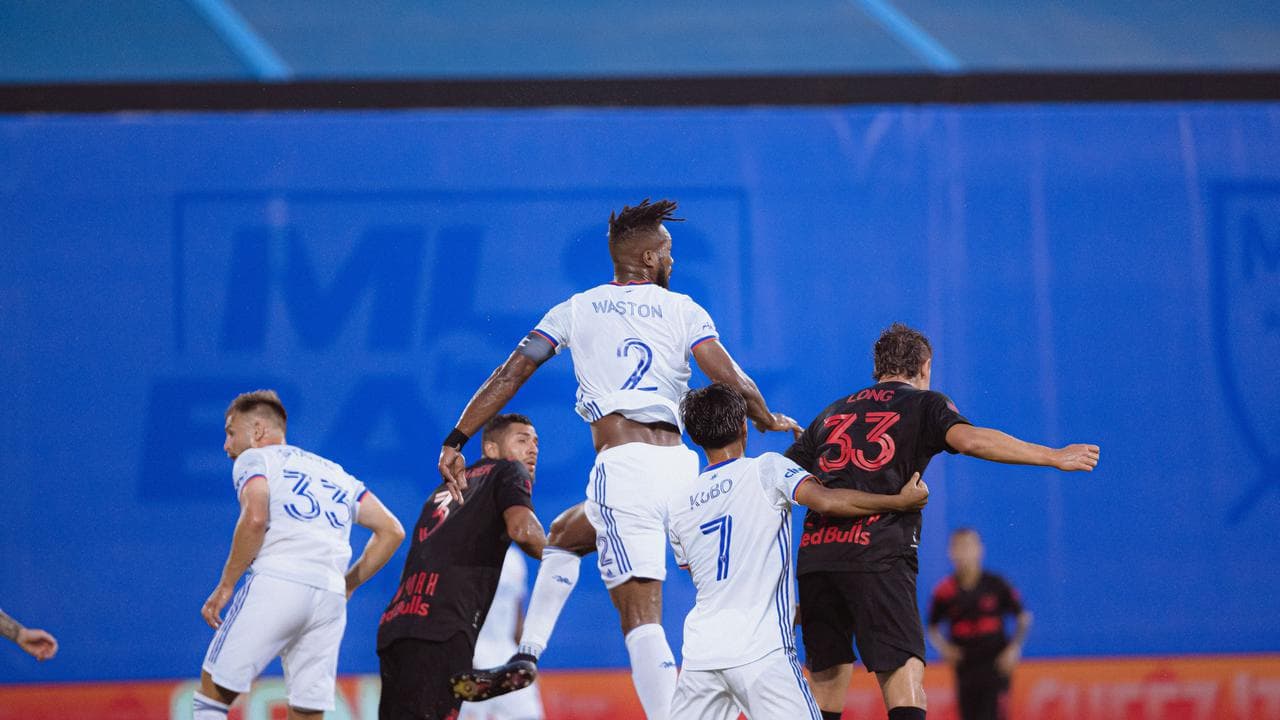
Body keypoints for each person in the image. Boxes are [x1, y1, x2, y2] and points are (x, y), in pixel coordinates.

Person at [440, 199, 800, 719]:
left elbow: (511, 373)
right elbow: (732, 380)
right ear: (651, 258)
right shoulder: (685, 310)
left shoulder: (575, 309)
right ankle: (527, 654)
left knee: (640, 614)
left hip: (625, 465)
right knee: (565, 535)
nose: (672, 263)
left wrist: (458, 436)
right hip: (681, 468)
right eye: (669, 254)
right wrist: (766, 418)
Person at [785, 323, 1099, 720]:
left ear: (877, 367)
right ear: (925, 366)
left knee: (826, 686)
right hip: (877, 555)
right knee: (905, 676)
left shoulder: (831, 413)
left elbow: (780, 480)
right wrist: (1051, 455)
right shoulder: (924, 403)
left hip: (817, 559)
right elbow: (970, 440)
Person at [667, 383, 929, 720]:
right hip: (761, 654)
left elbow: (705, 571)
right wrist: (899, 502)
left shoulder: (679, 505)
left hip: (701, 657)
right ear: (744, 425)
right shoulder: (767, 469)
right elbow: (827, 502)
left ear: (695, 437)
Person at [195, 390, 405, 720]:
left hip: (278, 581)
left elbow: (255, 518)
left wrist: (226, 586)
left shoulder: (256, 459)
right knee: (307, 711)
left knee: (213, 692)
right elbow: (392, 531)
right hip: (329, 597)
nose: (226, 445)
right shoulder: (337, 474)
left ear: (258, 430)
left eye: (230, 432)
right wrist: (347, 584)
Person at [379, 414, 547, 720]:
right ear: (491, 449)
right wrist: (561, 555)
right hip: (445, 630)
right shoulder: (508, 470)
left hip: (398, 627)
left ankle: (469, 682)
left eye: (536, 443)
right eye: (522, 440)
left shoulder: (440, 493)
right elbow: (523, 530)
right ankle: (471, 682)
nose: (533, 449)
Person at [927, 528, 1031, 720]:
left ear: (979, 550)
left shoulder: (996, 584)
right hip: (966, 667)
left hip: (995, 664)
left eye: (968, 546)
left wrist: (1014, 648)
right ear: (951, 552)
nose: (963, 552)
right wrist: (945, 648)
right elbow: (932, 626)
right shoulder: (945, 590)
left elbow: (1023, 618)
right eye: (958, 547)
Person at [458, 545, 546, 720]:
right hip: (474, 658)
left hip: (508, 657)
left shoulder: (515, 559)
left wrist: (527, 660)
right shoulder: (462, 555)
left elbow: (517, 618)